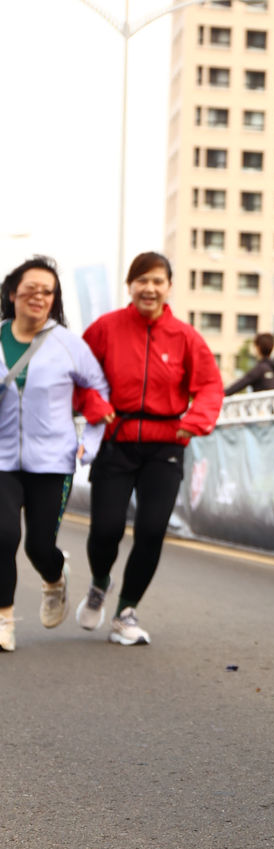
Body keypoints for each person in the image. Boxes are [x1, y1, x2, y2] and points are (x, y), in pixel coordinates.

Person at [77, 252, 224, 645]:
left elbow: (210, 386)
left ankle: (126, 611)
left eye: (158, 280)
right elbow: (78, 377)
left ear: (169, 287)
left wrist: (194, 421)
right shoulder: (105, 328)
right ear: (130, 286)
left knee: (152, 530)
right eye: (142, 280)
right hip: (117, 441)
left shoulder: (186, 337)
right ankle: (99, 582)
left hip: (166, 447)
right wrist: (94, 406)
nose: (150, 288)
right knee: (106, 530)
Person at [0, 257, 111, 652]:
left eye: (48, 291)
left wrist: (90, 443)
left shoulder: (67, 344)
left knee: (38, 546)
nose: (39, 297)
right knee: (3, 535)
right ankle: (4, 618)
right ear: (12, 293)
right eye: (31, 289)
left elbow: (99, 394)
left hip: (52, 461)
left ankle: (54, 578)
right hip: (2, 460)